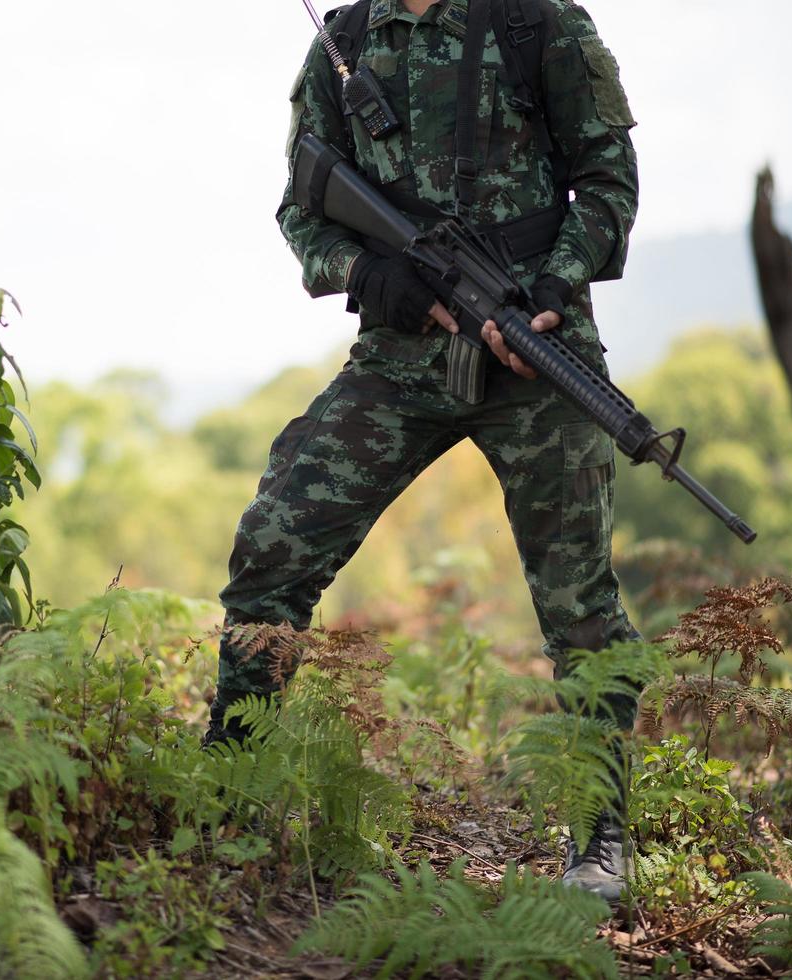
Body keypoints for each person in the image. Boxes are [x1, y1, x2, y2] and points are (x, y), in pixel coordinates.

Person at [206, 0, 642, 902]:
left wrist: (553, 290)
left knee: (580, 608)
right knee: (274, 543)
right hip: (398, 362)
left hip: (539, 354)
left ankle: (601, 834)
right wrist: (375, 279)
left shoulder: (539, 24)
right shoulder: (345, 41)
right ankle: (226, 790)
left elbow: (607, 180)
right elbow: (303, 210)